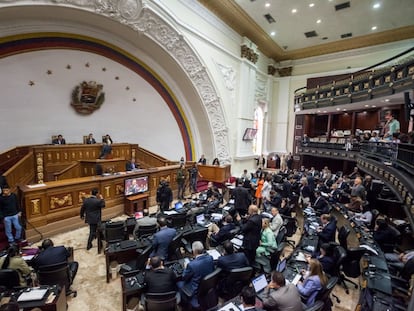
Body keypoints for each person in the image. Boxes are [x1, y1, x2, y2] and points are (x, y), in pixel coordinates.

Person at [178, 241, 214, 306]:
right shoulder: (210, 258)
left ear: (194, 251)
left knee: (178, 283)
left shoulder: (191, 265)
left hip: (195, 290)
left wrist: (185, 268)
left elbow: (184, 277)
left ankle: (183, 305)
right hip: (208, 286)